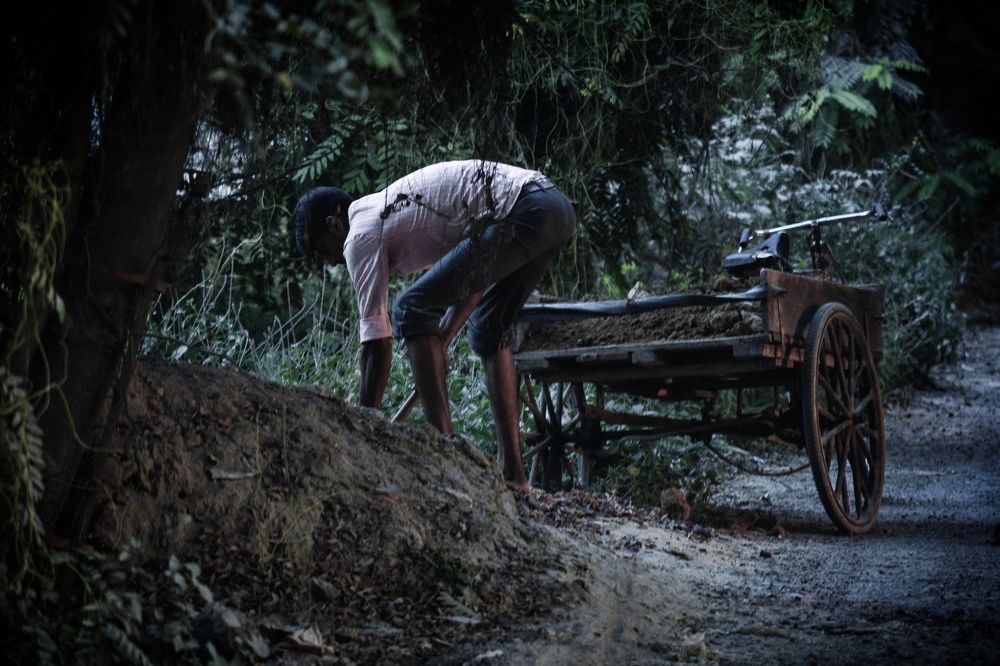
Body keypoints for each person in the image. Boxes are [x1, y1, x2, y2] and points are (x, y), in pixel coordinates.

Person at [291, 159, 576, 491]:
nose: (329, 259)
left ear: (334, 224)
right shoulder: (386, 209)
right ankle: (514, 477)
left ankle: (444, 452)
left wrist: (363, 425)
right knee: (489, 328)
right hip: (555, 208)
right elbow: (476, 278)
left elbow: (376, 341)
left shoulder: (359, 234)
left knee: (410, 308)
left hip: (526, 208)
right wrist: (443, 338)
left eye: (320, 249)